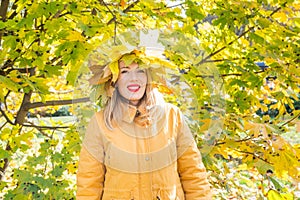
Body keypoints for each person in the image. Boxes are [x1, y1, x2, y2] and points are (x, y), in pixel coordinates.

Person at [76, 51, 212, 200]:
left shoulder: (172, 116)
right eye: (125, 71)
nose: (134, 78)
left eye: (140, 71)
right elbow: (89, 183)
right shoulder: (100, 122)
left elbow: (193, 174)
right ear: (113, 80)